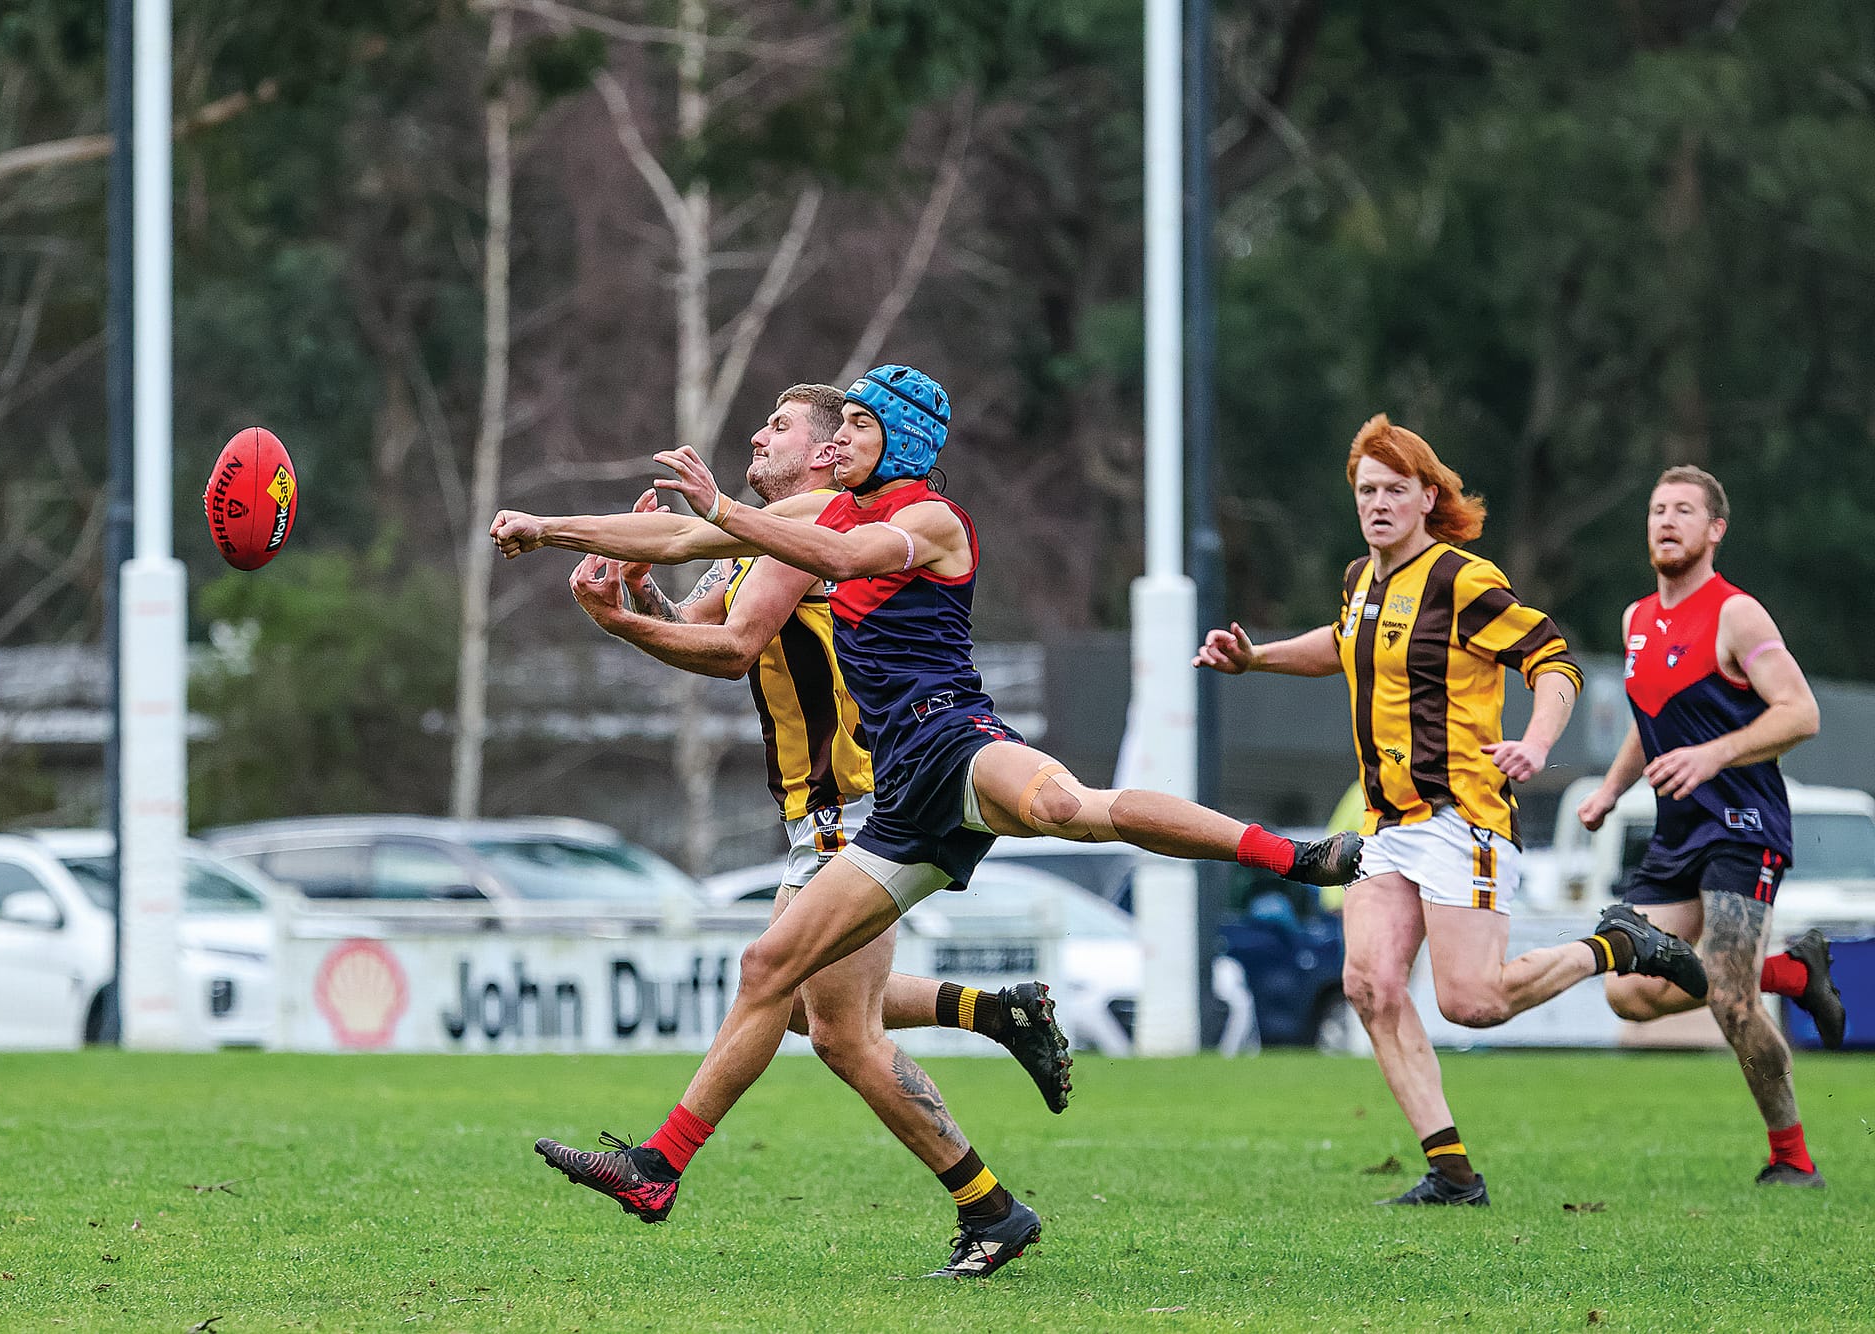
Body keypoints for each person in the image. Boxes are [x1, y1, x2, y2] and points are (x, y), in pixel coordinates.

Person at [490, 365, 1361, 1276]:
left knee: (1066, 812)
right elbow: (677, 536)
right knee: (784, 983)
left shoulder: (922, 519)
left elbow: (828, 567)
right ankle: (962, 1146)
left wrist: (717, 516)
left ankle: (1290, 855)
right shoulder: (812, 517)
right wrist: (546, 530)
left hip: (950, 743)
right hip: (897, 806)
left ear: (897, 439)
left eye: (851, 425)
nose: (827, 441)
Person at [1195, 414, 1709, 1208]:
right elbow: (1342, 644)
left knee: (1472, 1002)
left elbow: (1553, 660)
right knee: (1368, 984)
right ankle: (1453, 1171)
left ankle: (1618, 943)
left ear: (1427, 496)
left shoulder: (1462, 580)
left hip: (1460, 817)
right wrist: (1256, 658)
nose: (1377, 504)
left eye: (1394, 490)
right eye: (1366, 490)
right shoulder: (1359, 581)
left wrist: (1535, 743)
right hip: (1387, 825)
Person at [564, 381, 1074, 1116]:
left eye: (779, 427)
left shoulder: (815, 539)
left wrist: (597, 594)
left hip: (857, 801)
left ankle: (987, 1202)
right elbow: (693, 623)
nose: (757, 438)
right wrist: (641, 595)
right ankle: (998, 1014)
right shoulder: (759, 543)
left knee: (836, 1029)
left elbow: (731, 650)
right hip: (819, 808)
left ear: (824, 452)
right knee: (803, 1005)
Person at [1575, 465, 1844, 1187]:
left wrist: (1714, 753)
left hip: (1743, 823)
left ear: (1715, 529)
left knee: (1729, 998)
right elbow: (1650, 717)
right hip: (1676, 831)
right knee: (1627, 987)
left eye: (1684, 510)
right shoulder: (1635, 620)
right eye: (1658, 509)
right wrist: (1608, 791)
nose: (1667, 520)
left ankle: (1792, 1159)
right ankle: (1792, 971)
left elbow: (1801, 712)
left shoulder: (1736, 615)